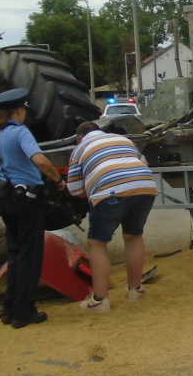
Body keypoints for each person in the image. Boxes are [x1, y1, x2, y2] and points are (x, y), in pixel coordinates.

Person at [0, 88, 66, 329]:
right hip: (26, 199)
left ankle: (9, 310)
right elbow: (41, 160)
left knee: (14, 254)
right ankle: (24, 313)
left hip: (4, 199)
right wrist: (58, 181)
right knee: (30, 256)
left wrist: (3, 171)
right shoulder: (20, 132)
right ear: (19, 110)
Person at [67, 122, 157, 313]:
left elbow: (74, 189)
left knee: (97, 243)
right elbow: (144, 163)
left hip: (110, 192)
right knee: (133, 236)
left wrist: (94, 191)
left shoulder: (80, 147)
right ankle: (135, 290)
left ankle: (100, 300)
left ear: (80, 137)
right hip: (145, 186)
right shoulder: (123, 139)